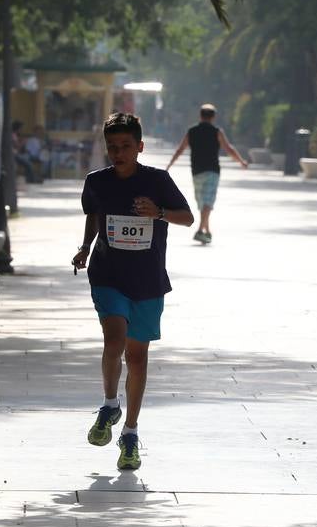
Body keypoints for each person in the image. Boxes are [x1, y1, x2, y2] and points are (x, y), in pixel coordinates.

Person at [72, 113, 194, 470]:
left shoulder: (158, 180)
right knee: (114, 340)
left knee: (137, 357)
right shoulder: (97, 181)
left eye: (126, 146)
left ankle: (130, 433)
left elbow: (187, 217)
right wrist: (84, 247)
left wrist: (159, 213)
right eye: (112, 147)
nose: (118, 153)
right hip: (107, 275)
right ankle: (110, 404)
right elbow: (94, 215)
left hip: (148, 281)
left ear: (140, 147)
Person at [166, 104, 248, 244]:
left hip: (197, 171)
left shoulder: (192, 131)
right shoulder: (217, 131)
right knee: (207, 202)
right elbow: (228, 149)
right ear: (213, 117)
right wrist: (241, 161)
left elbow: (180, 149)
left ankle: (207, 231)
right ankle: (200, 231)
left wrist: (169, 165)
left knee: (203, 202)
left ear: (200, 115)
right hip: (212, 171)